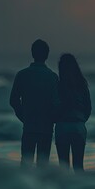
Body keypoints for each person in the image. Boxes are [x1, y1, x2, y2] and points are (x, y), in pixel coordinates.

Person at [10, 39, 59, 168]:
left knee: (26, 165)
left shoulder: (22, 75)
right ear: (47, 55)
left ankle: (24, 188)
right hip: (46, 128)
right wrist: (53, 119)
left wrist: (23, 117)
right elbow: (56, 103)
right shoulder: (52, 77)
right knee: (42, 167)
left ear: (32, 54)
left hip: (29, 127)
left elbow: (13, 100)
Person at [55, 53, 91, 172]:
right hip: (78, 125)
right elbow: (88, 108)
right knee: (79, 166)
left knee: (63, 167)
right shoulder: (82, 85)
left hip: (63, 125)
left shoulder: (58, 85)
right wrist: (80, 119)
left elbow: (53, 106)